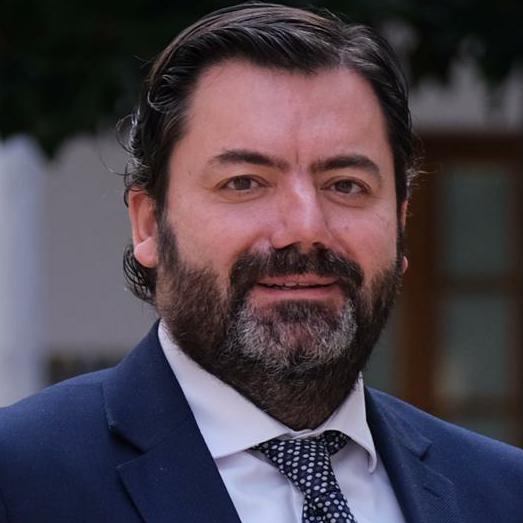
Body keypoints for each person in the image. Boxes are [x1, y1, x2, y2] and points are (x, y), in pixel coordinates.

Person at [1, 3, 522, 522]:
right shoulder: (21, 480)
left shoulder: (503, 493)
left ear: (400, 223)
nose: (305, 228)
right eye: (244, 182)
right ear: (150, 225)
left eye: (346, 185)